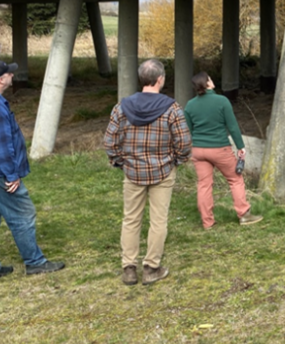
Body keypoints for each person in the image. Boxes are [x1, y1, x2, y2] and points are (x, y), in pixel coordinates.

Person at [0, 60, 65, 282]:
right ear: (2, 79)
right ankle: (35, 263)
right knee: (23, 214)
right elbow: (0, 145)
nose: (12, 75)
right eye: (9, 73)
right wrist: (12, 175)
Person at [104, 59, 191, 286]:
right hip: (163, 171)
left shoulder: (121, 107)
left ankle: (129, 268)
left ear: (140, 79)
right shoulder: (172, 108)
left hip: (132, 172)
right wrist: (176, 162)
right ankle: (152, 267)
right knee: (158, 221)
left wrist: (120, 162)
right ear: (160, 79)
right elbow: (184, 143)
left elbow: (110, 141)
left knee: (131, 220)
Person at [184, 72, 263, 229]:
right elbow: (232, 126)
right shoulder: (222, 101)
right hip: (219, 148)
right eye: (210, 79)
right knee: (235, 179)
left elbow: (190, 129)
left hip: (198, 150)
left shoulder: (190, 105)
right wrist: (241, 146)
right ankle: (244, 215)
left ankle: (207, 222)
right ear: (208, 83)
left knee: (204, 185)